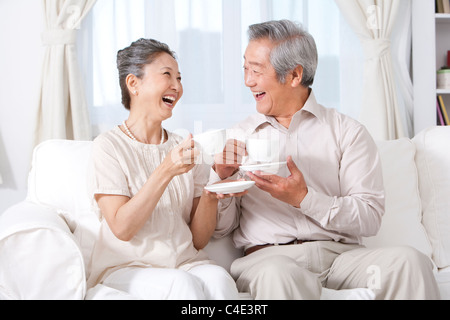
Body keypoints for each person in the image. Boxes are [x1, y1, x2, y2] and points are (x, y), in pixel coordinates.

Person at [210, 20, 440, 300]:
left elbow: (368, 218)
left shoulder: (347, 132)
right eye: (245, 68)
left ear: (294, 75)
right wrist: (222, 179)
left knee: (409, 263)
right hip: (269, 260)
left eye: (256, 71)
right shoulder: (239, 137)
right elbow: (221, 228)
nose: (248, 80)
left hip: (342, 260)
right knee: (278, 275)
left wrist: (304, 199)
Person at [86, 38, 240, 300]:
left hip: (183, 262)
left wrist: (210, 195)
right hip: (127, 267)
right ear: (133, 83)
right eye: (167, 75)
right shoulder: (108, 147)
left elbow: (198, 240)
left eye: (179, 78)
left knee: (219, 281)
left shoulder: (185, 147)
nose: (177, 87)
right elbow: (122, 228)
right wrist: (166, 170)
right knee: (182, 286)